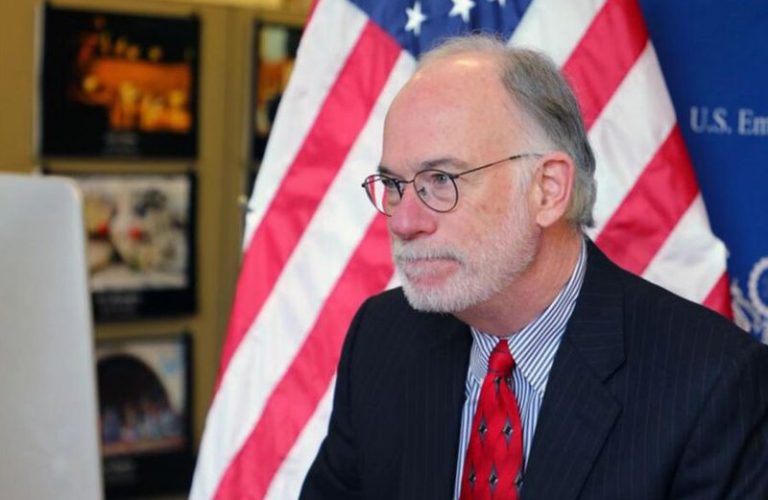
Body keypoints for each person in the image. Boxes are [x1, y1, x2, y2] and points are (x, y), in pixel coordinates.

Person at [299, 35, 768, 500]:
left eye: (441, 180)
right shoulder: (383, 337)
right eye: (393, 184)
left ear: (547, 189)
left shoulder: (710, 384)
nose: (404, 222)